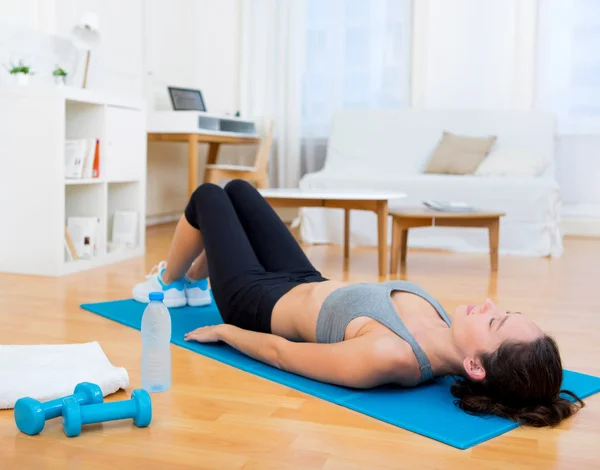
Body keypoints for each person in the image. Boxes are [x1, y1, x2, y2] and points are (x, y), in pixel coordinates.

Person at [133, 179, 584, 427]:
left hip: (254, 301)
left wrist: (226, 331)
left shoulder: (391, 356)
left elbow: (284, 354)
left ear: (476, 367)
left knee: (208, 196)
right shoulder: (447, 325)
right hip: (303, 278)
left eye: (495, 321)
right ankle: (194, 276)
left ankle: (171, 282)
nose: (488, 303)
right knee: (240, 190)